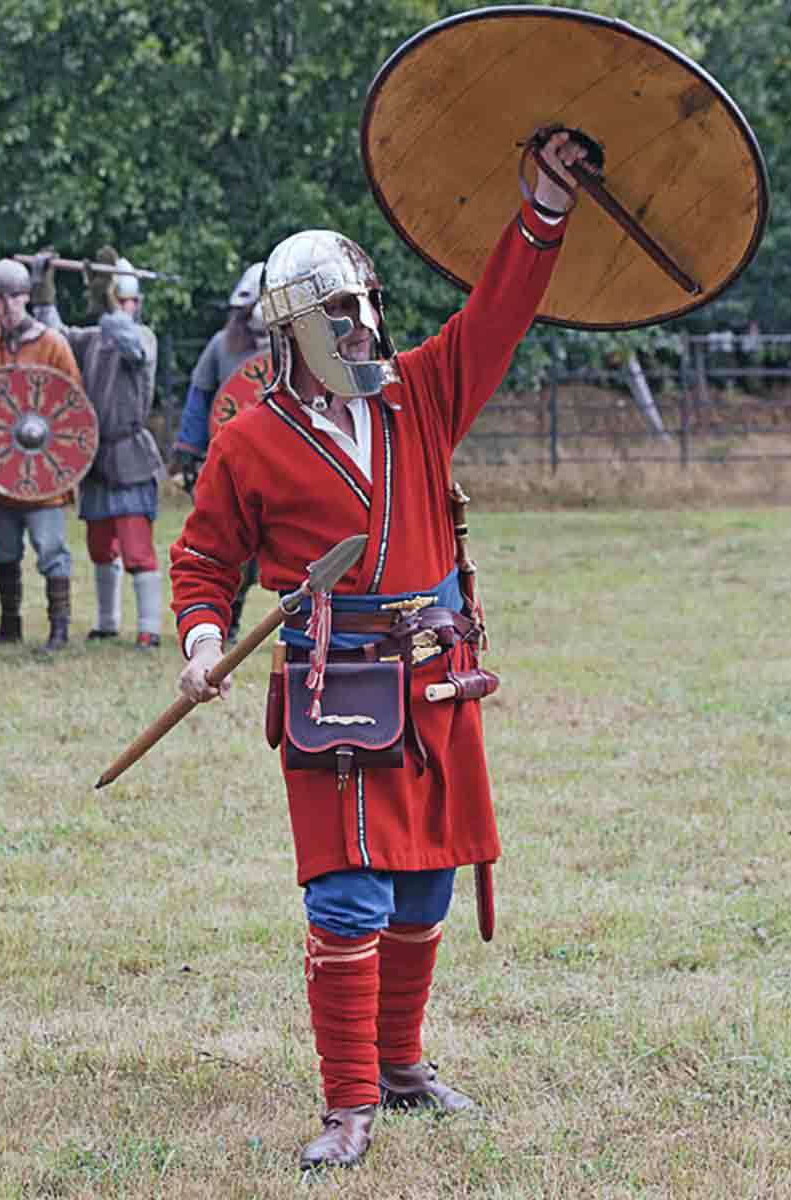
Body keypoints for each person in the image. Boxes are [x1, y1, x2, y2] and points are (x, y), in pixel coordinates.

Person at [168, 131, 591, 1169]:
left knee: (423, 886)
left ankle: (400, 1067)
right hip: (337, 681)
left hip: (435, 671)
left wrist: (543, 202)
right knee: (348, 892)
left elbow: (497, 313)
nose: (358, 328)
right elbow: (204, 559)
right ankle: (348, 1102)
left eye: (363, 308)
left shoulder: (420, 393)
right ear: (287, 334)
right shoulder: (248, 440)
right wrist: (204, 639)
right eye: (334, 316)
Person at [31, 248, 163, 649]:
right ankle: (107, 623)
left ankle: (149, 627)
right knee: (101, 546)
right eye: (117, 300)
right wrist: (43, 289)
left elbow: (128, 342)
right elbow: (53, 335)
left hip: (130, 454)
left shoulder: (142, 338)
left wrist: (109, 307)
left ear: (136, 303)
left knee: (136, 547)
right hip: (95, 455)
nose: (124, 308)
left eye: (126, 301)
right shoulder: (92, 340)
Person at [0, 259, 81, 651]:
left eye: (15, 296)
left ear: (27, 297)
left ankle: (59, 628)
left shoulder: (52, 344)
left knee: (51, 550)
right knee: (5, 551)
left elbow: (72, 404)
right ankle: (9, 624)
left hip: (42, 470)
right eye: (0, 298)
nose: (8, 305)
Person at [169, 262, 268, 642]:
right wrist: (187, 452)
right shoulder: (222, 346)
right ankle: (228, 622)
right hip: (232, 463)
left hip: (284, 464)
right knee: (232, 549)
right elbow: (200, 400)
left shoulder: (298, 348)